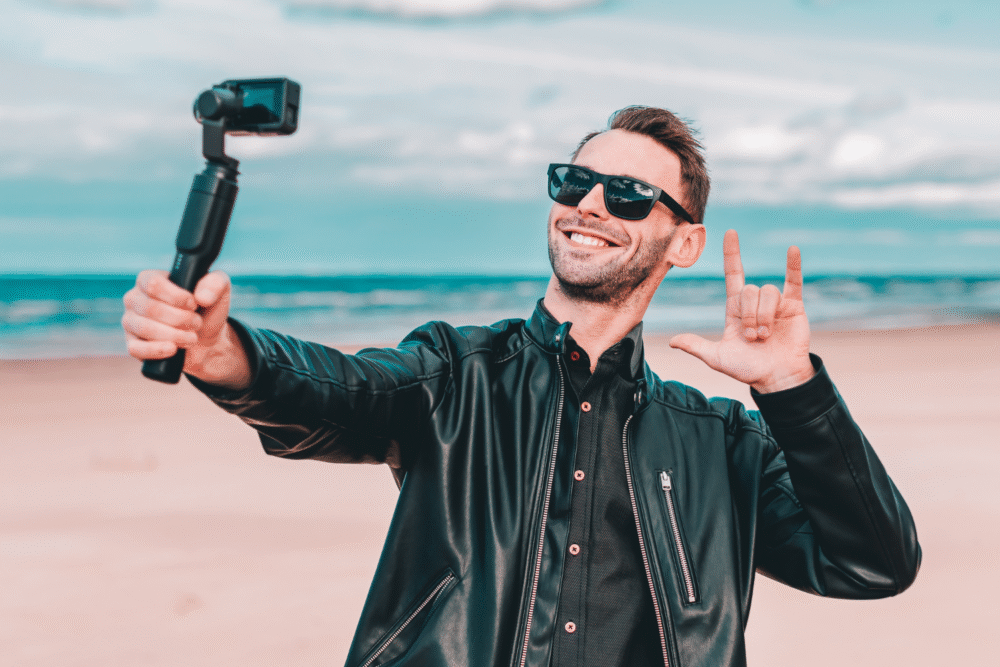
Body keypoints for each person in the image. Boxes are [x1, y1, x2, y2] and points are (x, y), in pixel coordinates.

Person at [121, 106, 920, 667]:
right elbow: (338, 393)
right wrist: (222, 350)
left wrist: (791, 386)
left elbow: (874, 563)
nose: (591, 205)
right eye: (575, 181)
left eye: (630, 195)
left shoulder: (724, 443)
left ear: (684, 242)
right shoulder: (454, 375)